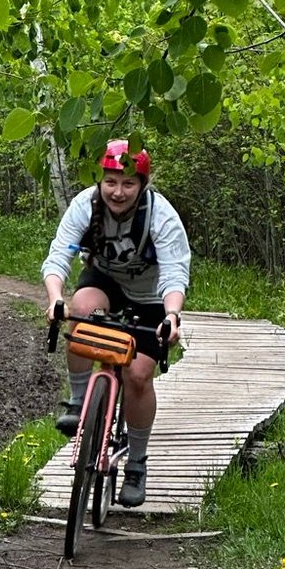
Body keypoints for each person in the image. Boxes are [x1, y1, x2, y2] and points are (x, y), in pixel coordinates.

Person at [42, 138, 190, 510]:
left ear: (142, 184)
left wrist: (171, 316)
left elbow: (174, 273)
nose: (118, 192)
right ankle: (79, 403)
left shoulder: (161, 216)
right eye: (111, 182)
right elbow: (59, 254)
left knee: (137, 375)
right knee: (80, 310)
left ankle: (136, 464)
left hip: (151, 298)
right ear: (101, 180)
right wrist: (55, 298)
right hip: (105, 281)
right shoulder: (85, 205)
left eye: (128, 183)